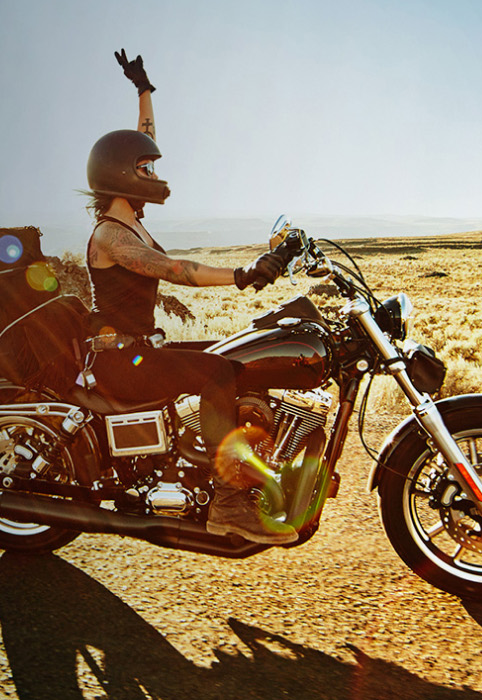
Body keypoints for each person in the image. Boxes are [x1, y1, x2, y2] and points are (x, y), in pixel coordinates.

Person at [83, 50, 303, 544]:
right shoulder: (111, 236)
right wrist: (243, 274)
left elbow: (145, 143)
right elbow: (175, 269)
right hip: (119, 359)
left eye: (149, 166)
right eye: (142, 168)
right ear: (120, 174)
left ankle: (241, 462)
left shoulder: (131, 219)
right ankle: (228, 504)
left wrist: (144, 91)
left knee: (236, 359)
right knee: (216, 373)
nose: (152, 171)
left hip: (142, 348)